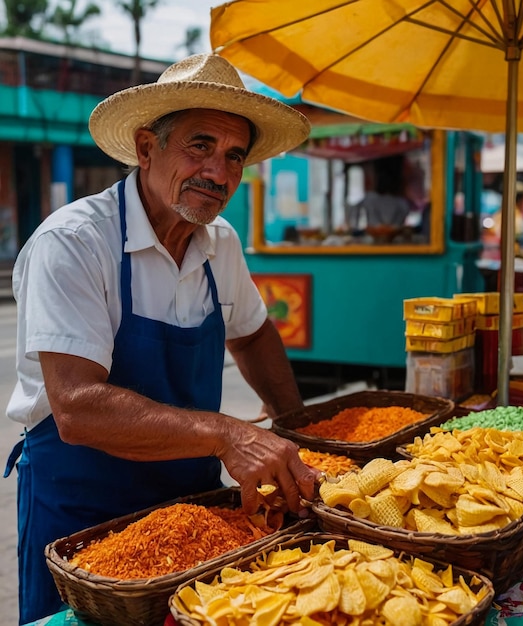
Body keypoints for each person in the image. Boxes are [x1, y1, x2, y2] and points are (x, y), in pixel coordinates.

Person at [3, 54, 318, 624]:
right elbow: (75, 406)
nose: (217, 174)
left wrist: (298, 432)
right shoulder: (74, 243)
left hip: (186, 512)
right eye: (199, 146)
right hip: (80, 516)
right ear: (147, 149)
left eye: (233, 157)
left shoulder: (219, 244)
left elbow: (253, 336)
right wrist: (227, 435)